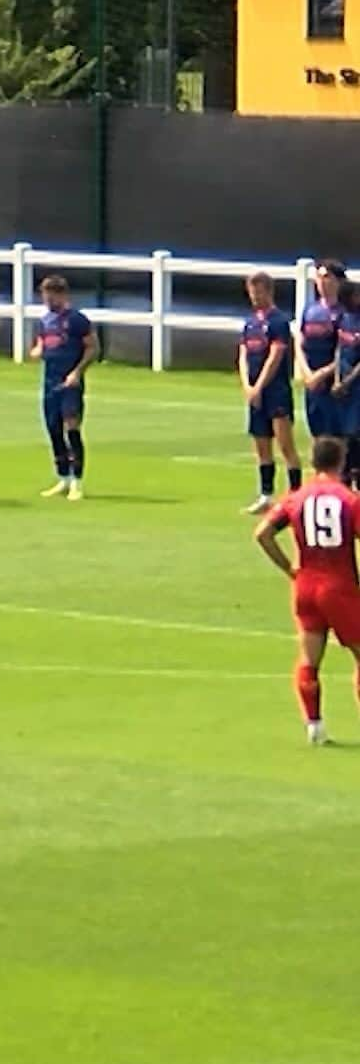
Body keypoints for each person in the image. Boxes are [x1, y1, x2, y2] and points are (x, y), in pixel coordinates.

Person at [255, 434, 360, 745]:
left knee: (309, 659)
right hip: (339, 586)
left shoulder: (296, 498)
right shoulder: (348, 499)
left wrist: (289, 569)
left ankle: (314, 725)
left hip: (306, 586)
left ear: (314, 463)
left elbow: (262, 534)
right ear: (340, 462)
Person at [30, 275, 97, 502]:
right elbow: (42, 343)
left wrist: (77, 372)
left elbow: (92, 348)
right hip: (49, 381)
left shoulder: (77, 320)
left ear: (62, 295)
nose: (47, 300)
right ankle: (63, 477)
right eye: (44, 295)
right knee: (53, 429)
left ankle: (77, 481)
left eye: (51, 295)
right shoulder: (45, 320)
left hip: (70, 383)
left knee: (72, 427)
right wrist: (37, 351)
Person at [239, 271, 301, 514]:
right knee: (261, 445)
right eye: (251, 292)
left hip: (275, 391)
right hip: (255, 393)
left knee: (286, 445)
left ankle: (296, 494)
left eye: (258, 292)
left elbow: (276, 356)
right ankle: (266, 494)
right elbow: (243, 354)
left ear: (268, 291)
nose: (254, 297)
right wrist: (247, 385)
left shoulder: (278, 321)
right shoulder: (250, 322)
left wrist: (260, 386)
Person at [296, 260, 346, 442]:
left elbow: (346, 351)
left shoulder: (344, 313)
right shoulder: (310, 310)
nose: (322, 282)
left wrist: (323, 374)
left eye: (327, 277)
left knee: (336, 438)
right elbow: (300, 342)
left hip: (334, 384)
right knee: (316, 433)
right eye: (319, 277)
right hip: (312, 385)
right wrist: (307, 373)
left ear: (338, 282)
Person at [333, 280, 360, 488]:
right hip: (344, 387)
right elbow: (339, 350)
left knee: (355, 434)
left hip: (356, 387)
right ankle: (344, 478)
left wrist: (347, 382)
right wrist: (336, 380)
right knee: (343, 433)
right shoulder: (343, 317)